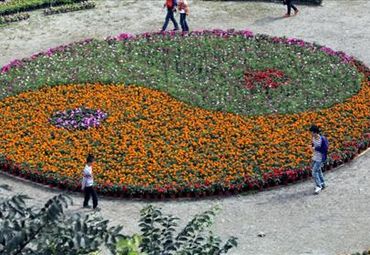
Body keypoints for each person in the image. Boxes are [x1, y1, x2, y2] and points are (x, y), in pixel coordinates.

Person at [309, 125, 328, 194]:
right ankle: (322, 184)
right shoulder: (313, 138)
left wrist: (315, 148)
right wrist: (311, 146)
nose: (311, 134)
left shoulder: (322, 139)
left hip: (320, 158)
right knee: (318, 170)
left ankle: (318, 186)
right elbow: (313, 144)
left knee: (314, 172)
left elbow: (325, 149)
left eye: (312, 132)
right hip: (315, 157)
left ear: (315, 132)